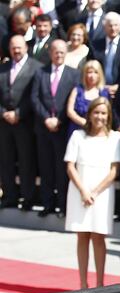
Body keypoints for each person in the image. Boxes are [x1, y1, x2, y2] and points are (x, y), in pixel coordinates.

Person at [63, 96, 120, 289]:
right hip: (79, 191)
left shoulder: (114, 138)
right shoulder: (77, 136)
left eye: (103, 113)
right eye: (96, 112)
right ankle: (82, 283)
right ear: (89, 114)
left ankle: (99, 284)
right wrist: (83, 191)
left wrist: (95, 192)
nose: (99, 116)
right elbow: (70, 166)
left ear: (108, 116)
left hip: (102, 194)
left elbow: (114, 171)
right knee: (82, 237)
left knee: (98, 237)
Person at [32, 39, 81, 218]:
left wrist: (59, 120)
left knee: (62, 169)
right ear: (50, 53)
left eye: (61, 52)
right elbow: (34, 98)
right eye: (55, 52)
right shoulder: (40, 72)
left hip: (63, 128)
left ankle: (63, 205)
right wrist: (46, 118)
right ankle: (47, 204)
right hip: (44, 128)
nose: (58, 55)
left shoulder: (74, 74)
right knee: (45, 168)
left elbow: (74, 100)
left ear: (65, 53)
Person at [0, 35, 42, 211]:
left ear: (26, 47)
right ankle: (10, 196)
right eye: (13, 47)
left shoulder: (36, 68)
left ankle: (28, 197)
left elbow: (34, 95)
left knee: (26, 162)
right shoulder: (3, 68)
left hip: (24, 122)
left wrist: (18, 113)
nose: (16, 51)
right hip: (4, 123)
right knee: (6, 160)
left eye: (19, 47)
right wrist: (3, 113)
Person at [89, 11, 120, 91]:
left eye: (116, 25)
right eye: (110, 26)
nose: (113, 28)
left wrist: (119, 86)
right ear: (104, 27)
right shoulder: (95, 45)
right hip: (99, 88)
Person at [66, 59, 111, 137]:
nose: (92, 76)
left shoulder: (104, 93)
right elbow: (70, 111)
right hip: (77, 129)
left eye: (95, 72)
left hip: (98, 132)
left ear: (100, 74)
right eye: (89, 72)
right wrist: (84, 122)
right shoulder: (77, 90)